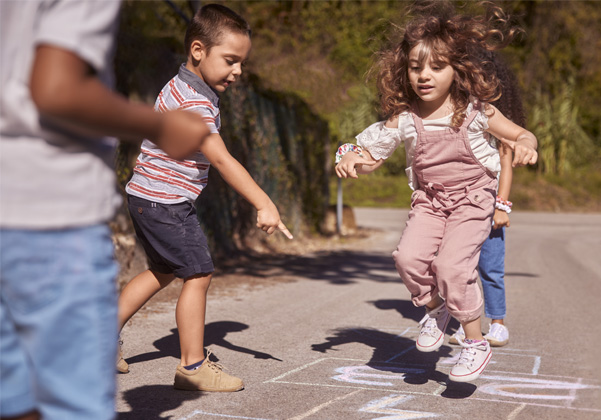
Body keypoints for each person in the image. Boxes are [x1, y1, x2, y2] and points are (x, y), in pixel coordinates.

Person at [0, 0, 209, 418]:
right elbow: (57, 88)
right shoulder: (187, 96)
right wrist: (159, 126)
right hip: (50, 214)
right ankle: (194, 363)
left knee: (20, 402)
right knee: (70, 404)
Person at [335, 2, 537, 383]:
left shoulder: (477, 111)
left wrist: (527, 145)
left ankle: (475, 342)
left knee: (451, 267)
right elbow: (370, 155)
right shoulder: (406, 118)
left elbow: (521, 134)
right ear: (405, 70)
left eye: (436, 67)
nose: (424, 76)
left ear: (456, 69)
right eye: (415, 67)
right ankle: (436, 308)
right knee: (407, 258)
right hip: (429, 202)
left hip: (473, 202)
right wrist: (348, 157)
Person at [115, 4, 292, 392]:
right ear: (198, 50)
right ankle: (192, 366)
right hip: (166, 202)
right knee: (198, 273)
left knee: (162, 270)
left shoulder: (183, 87)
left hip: (145, 196)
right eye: (230, 60)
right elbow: (222, 160)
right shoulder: (195, 104)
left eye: (242, 62)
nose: (238, 71)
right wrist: (264, 202)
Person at [450, 51, 526, 348]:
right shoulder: (459, 122)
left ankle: (497, 323)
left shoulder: (497, 130)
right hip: (462, 207)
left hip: (490, 208)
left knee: (490, 268)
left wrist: (502, 206)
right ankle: (469, 323)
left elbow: (506, 168)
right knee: (462, 267)